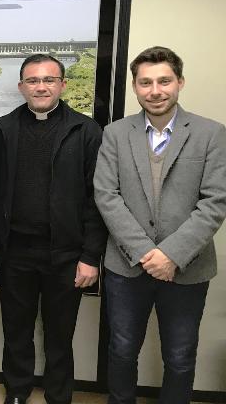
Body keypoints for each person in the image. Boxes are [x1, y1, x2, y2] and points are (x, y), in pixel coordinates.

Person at [94, 46, 226, 404]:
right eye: (146, 82)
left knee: (180, 357)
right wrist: (144, 252)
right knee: (121, 352)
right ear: (135, 87)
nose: (156, 90)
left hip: (188, 268)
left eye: (164, 81)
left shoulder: (211, 134)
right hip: (127, 267)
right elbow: (107, 195)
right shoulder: (116, 134)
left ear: (179, 82)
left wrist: (171, 254)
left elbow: (215, 201)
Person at [0, 54, 107, 404]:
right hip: (15, 254)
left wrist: (90, 256)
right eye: (33, 80)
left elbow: (97, 199)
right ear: (21, 86)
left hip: (66, 255)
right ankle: (17, 392)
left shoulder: (86, 131)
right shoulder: (2, 129)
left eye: (49, 80)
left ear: (62, 85)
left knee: (60, 334)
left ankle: (59, 396)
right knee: (16, 331)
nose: (41, 86)